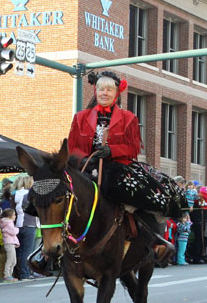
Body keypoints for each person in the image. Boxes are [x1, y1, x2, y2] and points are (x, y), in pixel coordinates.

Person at [68, 70, 182, 244]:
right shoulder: (80, 118)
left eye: (109, 90)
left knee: (133, 192)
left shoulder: (129, 118)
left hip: (115, 166)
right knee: (56, 190)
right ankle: (48, 251)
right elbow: (72, 146)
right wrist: (84, 158)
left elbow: (132, 147)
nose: (105, 93)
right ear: (95, 91)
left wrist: (111, 151)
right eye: (101, 89)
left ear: (116, 93)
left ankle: (154, 239)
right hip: (85, 166)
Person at [13, 175, 38, 280]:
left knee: (21, 250)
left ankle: (19, 272)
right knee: (27, 251)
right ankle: (25, 272)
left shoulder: (17, 194)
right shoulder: (28, 195)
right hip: (29, 223)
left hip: (20, 224)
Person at [0, 208, 20, 282]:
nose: (15, 216)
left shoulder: (8, 223)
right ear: (9, 216)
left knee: (14, 260)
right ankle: (7, 275)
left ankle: (10, 275)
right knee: (10, 259)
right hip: (9, 243)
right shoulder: (9, 223)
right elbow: (13, 232)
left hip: (11, 242)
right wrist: (17, 229)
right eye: (14, 215)